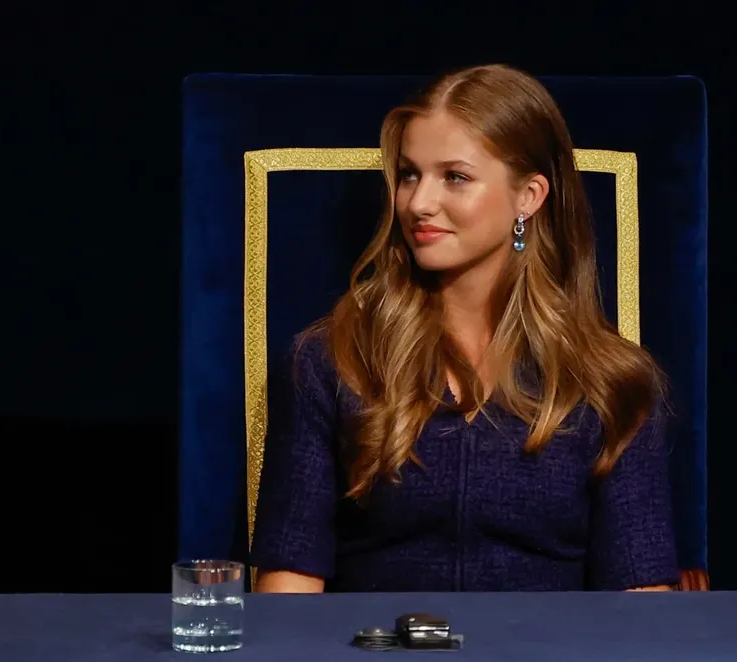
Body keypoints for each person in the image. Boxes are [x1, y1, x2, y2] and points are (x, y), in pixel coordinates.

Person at [249, 64, 679, 593]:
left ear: (530, 196)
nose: (418, 203)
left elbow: (643, 613)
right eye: (409, 174)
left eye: (455, 176)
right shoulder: (330, 358)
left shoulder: (613, 382)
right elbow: (289, 591)